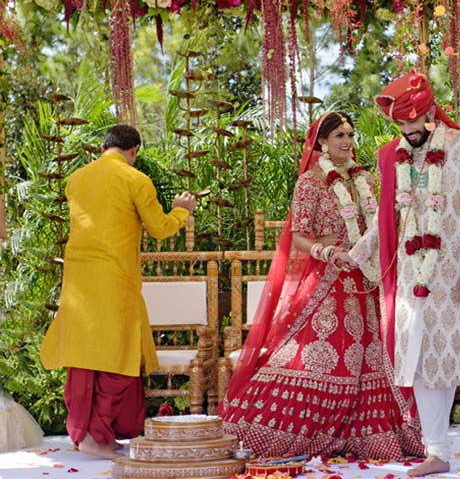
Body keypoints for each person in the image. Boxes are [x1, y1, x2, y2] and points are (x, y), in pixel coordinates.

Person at [220, 111, 423, 460]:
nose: (346, 142)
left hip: (364, 278)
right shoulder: (310, 182)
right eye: (339, 136)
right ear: (322, 144)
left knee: (371, 356)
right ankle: (294, 429)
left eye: (349, 135)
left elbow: (378, 225)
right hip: (329, 281)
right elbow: (297, 236)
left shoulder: (365, 179)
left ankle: (367, 433)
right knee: (316, 357)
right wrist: (328, 252)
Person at [335, 71, 460, 477]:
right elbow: (383, 220)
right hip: (412, 279)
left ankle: (438, 449)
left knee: (443, 361)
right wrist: (356, 256)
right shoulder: (393, 156)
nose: (408, 130)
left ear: (431, 112)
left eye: (414, 122)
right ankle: (437, 451)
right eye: (402, 124)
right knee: (422, 361)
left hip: (453, 275)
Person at [40, 124, 195, 459]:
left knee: (84, 356)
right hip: (114, 279)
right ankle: (97, 438)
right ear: (134, 150)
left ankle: (88, 435)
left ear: (102, 147)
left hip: (79, 280)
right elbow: (159, 228)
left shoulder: (76, 179)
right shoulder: (135, 179)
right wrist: (183, 209)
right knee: (116, 356)